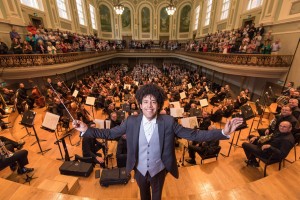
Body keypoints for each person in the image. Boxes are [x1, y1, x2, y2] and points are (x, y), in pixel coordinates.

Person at [74, 83, 243, 200]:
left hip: (159, 170)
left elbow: (194, 135)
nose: (149, 106)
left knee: (157, 197)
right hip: (139, 170)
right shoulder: (131, 121)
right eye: (146, 102)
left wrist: (223, 132)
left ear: (159, 104)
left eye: (153, 102)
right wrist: (86, 130)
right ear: (140, 104)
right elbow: (110, 134)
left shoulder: (168, 121)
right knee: (143, 196)